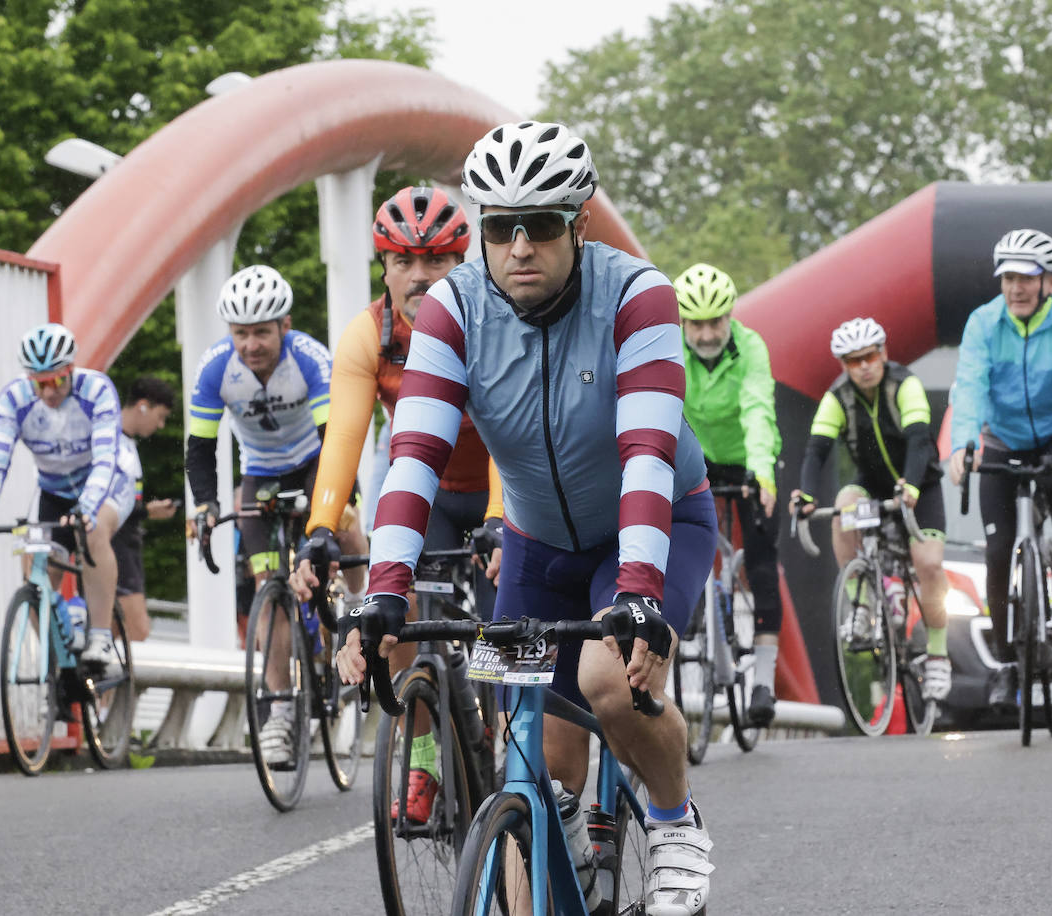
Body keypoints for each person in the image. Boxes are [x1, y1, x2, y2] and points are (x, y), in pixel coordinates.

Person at [335, 121, 716, 916]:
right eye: (499, 226)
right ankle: (558, 838)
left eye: (539, 225)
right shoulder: (454, 309)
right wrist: (383, 592)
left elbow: (647, 450)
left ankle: (675, 820)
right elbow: (414, 459)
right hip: (539, 544)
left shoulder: (638, 293)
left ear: (577, 223)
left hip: (653, 523)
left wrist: (640, 593)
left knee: (607, 682)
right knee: (530, 753)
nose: (518, 247)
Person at [291, 185, 493, 823]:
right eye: (404, 260)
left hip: (499, 485)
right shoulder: (367, 335)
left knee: (505, 636)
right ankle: (427, 756)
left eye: (437, 260)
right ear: (384, 267)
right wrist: (322, 527)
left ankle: (513, 752)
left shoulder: (494, 321)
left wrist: (500, 520)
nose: (420, 275)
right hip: (423, 490)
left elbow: (511, 437)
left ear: (464, 263)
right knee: (398, 609)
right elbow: (345, 439)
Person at [947, 228, 1052, 709]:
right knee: (997, 552)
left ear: (1050, 282)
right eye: (1008, 277)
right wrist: (963, 443)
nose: (1016, 287)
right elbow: (970, 383)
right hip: (1001, 437)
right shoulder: (982, 323)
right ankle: (1006, 664)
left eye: (1027, 278)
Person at [186, 264, 332, 765]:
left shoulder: (311, 359)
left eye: (261, 333)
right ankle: (280, 709)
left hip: (316, 460)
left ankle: (354, 606)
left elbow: (336, 439)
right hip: (260, 473)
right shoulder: (214, 368)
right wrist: (205, 506)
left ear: (284, 326)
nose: (251, 344)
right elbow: (199, 449)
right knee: (269, 586)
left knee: (343, 530)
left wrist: (330, 505)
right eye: (240, 333)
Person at [790, 318, 951, 700]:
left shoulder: (904, 384)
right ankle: (861, 600)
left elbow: (916, 441)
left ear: (884, 354)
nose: (863, 366)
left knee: (927, 564)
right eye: (852, 360)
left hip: (920, 485)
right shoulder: (838, 396)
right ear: (843, 365)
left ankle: (938, 657)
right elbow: (816, 450)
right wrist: (808, 495)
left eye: (870, 356)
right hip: (872, 484)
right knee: (845, 507)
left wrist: (911, 487)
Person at [0, 323, 135, 674]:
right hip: (53, 489)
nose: (48, 391)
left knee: (93, 529)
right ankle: (60, 665)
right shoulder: (14, 400)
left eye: (56, 381)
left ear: (70, 370)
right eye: (39, 383)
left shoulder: (96, 390)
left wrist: (86, 507)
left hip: (107, 481)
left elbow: (105, 459)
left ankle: (100, 633)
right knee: (34, 566)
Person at [674, 262, 784, 725]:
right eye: (696, 323)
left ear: (730, 317)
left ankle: (763, 680)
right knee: (680, 540)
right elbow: (664, 406)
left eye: (716, 321)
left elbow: (757, 409)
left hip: (748, 454)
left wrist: (761, 473)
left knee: (760, 560)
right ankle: (694, 605)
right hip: (697, 455)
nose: (706, 333)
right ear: (682, 322)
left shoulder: (751, 347)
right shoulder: (667, 345)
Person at [112, 376, 178, 642]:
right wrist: (147, 512)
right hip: (117, 545)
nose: (160, 425)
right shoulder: (112, 441)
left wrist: (145, 510)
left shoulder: (126, 442)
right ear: (142, 406)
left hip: (125, 543)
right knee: (137, 631)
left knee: (113, 634)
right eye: (160, 416)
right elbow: (111, 503)